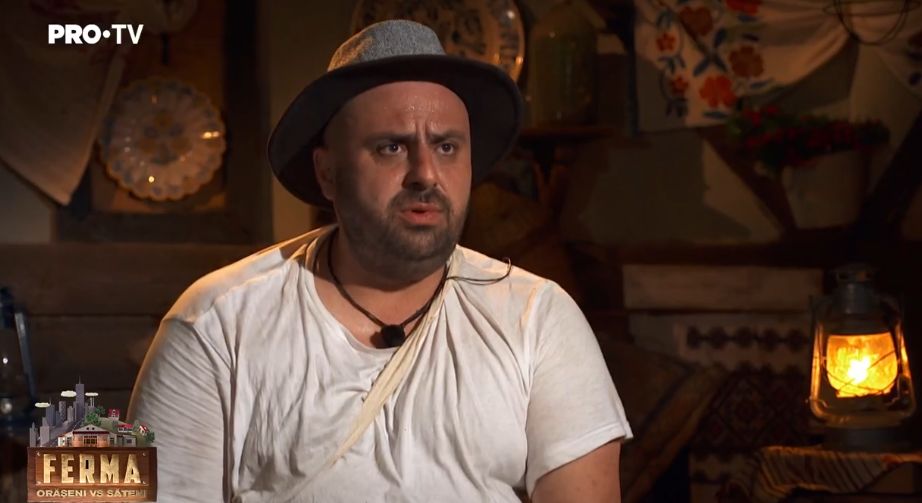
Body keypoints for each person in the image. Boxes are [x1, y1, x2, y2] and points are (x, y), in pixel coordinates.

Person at [128, 19, 632, 503]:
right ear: (328, 172)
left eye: (447, 147)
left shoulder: (537, 318)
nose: (425, 174)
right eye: (391, 147)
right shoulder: (216, 324)